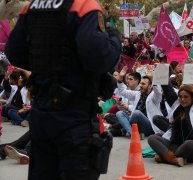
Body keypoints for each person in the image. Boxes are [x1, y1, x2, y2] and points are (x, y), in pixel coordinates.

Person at [5, 0, 121, 179]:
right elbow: (98, 57)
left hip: (41, 111)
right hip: (74, 114)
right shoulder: (84, 6)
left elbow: (14, 52)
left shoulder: (32, 7)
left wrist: (46, 68)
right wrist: (114, 38)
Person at [148, 84, 193, 167]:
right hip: (175, 146)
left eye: (186, 97)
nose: (183, 99)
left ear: (192, 97)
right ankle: (172, 159)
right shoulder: (176, 104)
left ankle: (164, 157)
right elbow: (167, 88)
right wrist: (163, 71)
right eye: (180, 96)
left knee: (189, 143)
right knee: (152, 138)